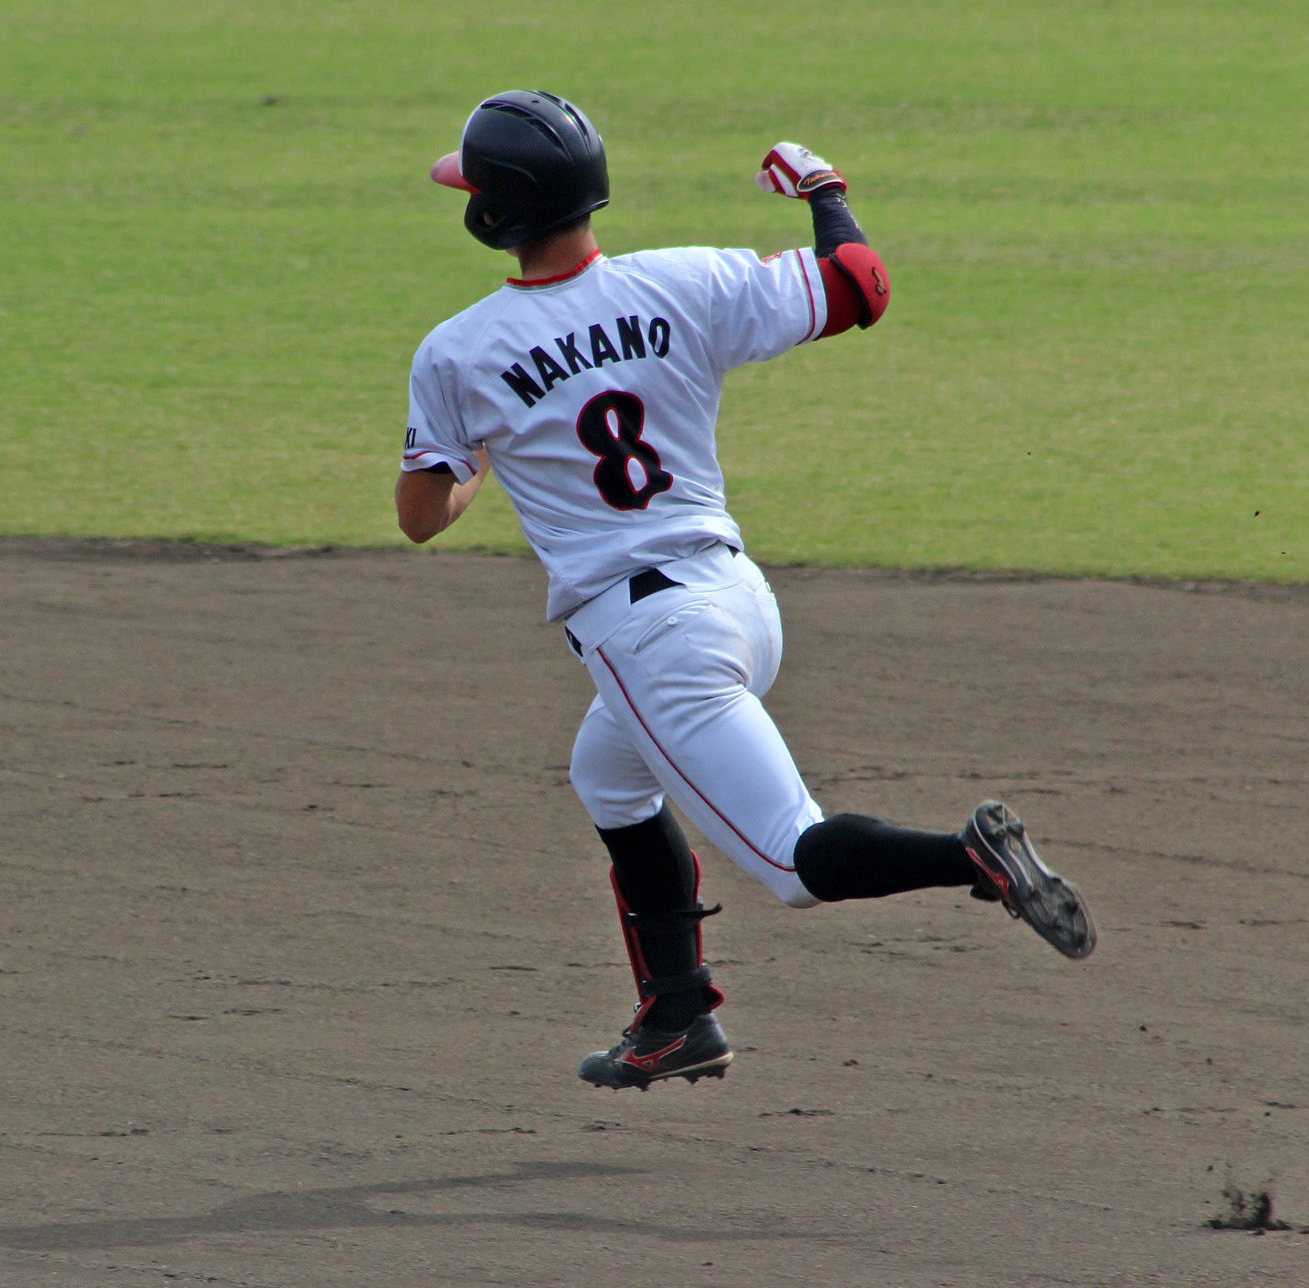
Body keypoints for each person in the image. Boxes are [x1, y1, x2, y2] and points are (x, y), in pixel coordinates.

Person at [399, 90, 1095, 1090]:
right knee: (610, 776)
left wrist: (479, 460)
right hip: (740, 603)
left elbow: (422, 515)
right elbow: (860, 286)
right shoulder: (687, 280)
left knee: (792, 861)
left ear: (492, 214)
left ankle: (969, 857)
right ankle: (677, 1015)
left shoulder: (460, 352)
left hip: (655, 641)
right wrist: (824, 192)